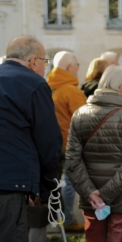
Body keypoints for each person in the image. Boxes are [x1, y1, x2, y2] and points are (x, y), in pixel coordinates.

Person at [0, 36, 62, 242]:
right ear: (33, 61)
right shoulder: (34, 84)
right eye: (45, 62)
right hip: (2, 191)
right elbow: (49, 142)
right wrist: (47, 188)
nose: (45, 68)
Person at [66, 66, 122, 242]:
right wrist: (105, 194)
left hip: (91, 198)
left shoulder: (79, 114)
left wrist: (92, 193)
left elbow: (72, 160)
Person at [47, 51, 87, 232]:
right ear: (70, 67)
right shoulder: (71, 91)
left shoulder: (49, 87)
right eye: (77, 64)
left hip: (52, 143)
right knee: (69, 184)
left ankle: (59, 218)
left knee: (57, 183)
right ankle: (68, 220)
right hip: (70, 144)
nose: (78, 68)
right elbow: (84, 121)